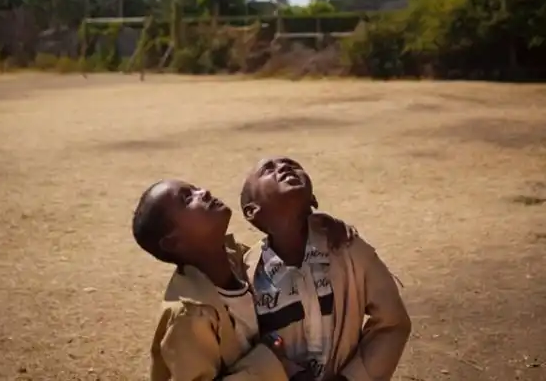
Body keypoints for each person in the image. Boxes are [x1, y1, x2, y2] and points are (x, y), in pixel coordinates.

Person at [132, 179, 357, 381]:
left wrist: (317, 229)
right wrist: (267, 363)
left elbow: (296, 260)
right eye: (187, 198)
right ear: (172, 242)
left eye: (195, 188)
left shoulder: (245, 261)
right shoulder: (189, 316)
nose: (204, 192)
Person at [241, 157, 412, 381]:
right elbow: (246, 345)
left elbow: (392, 321)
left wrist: (352, 377)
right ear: (252, 211)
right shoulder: (248, 275)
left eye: (293, 165)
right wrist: (287, 372)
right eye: (268, 169)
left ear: (312, 198)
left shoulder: (348, 249)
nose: (284, 167)